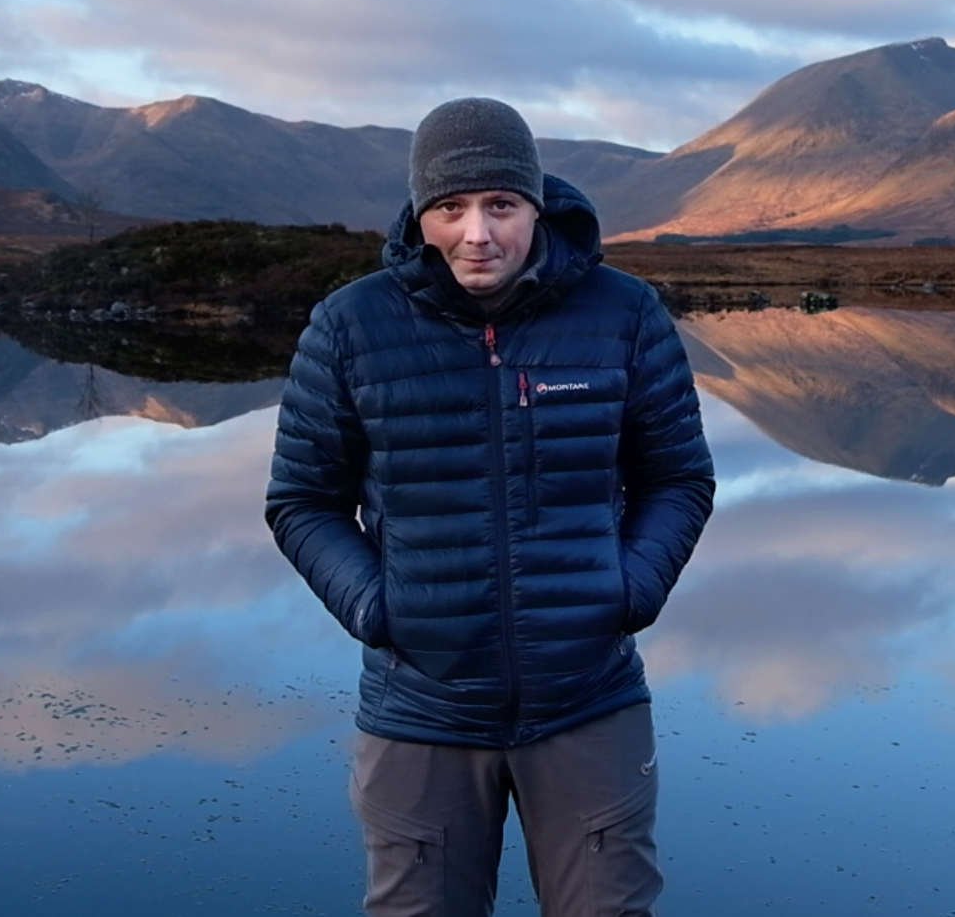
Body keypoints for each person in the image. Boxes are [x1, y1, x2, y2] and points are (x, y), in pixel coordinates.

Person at [266, 96, 715, 917]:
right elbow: (303, 500)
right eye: (451, 207)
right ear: (421, 215)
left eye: (500, 205)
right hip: (420, 707)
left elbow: (679, 480)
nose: (478, 233)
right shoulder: (350, 326)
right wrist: (379, 607)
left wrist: (628, 590)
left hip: (588, 701)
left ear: (535, 205)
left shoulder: (623, 315)